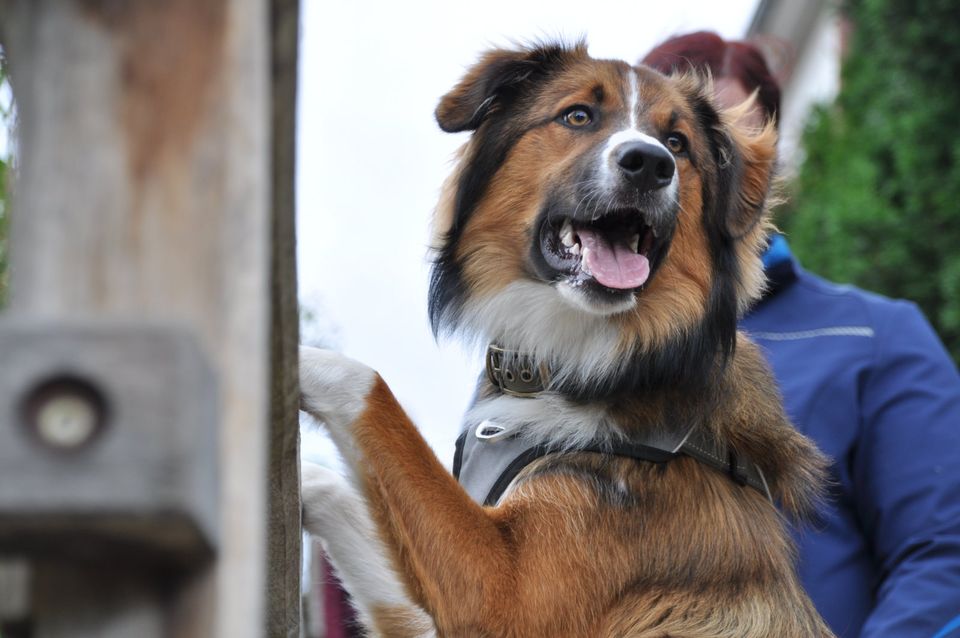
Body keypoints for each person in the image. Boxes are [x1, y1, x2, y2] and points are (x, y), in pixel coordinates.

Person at [642, 31, 960, 638]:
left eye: (728, 143)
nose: (691, 168)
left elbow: (944, 555)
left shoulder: (875, 335)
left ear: (768, 164)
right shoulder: (550, 355)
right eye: (669, 141)